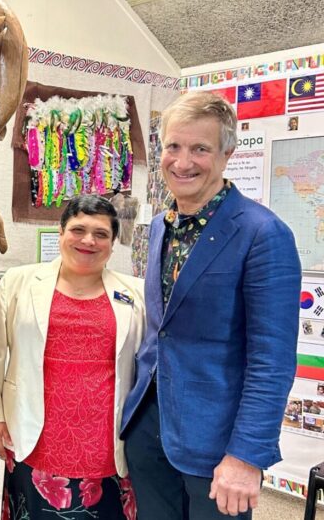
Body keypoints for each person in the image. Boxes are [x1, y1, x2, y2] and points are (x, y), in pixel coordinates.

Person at [120, 92, 301, 519]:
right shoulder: (163, 225)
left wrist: (246, 456)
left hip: (217, 444)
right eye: (173, 147)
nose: (182, 163)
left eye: (200, 148)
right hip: (150, 428)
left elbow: (271, 361)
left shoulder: (263, 234)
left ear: (227, 154)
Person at [0, 195, 145, 519]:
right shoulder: (19, 282)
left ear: (112, 242)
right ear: (61, 232)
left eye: (101, 234)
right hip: (34, 436)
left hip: (106, 445)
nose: (88, 241)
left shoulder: (134, 294)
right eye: (78, 229)